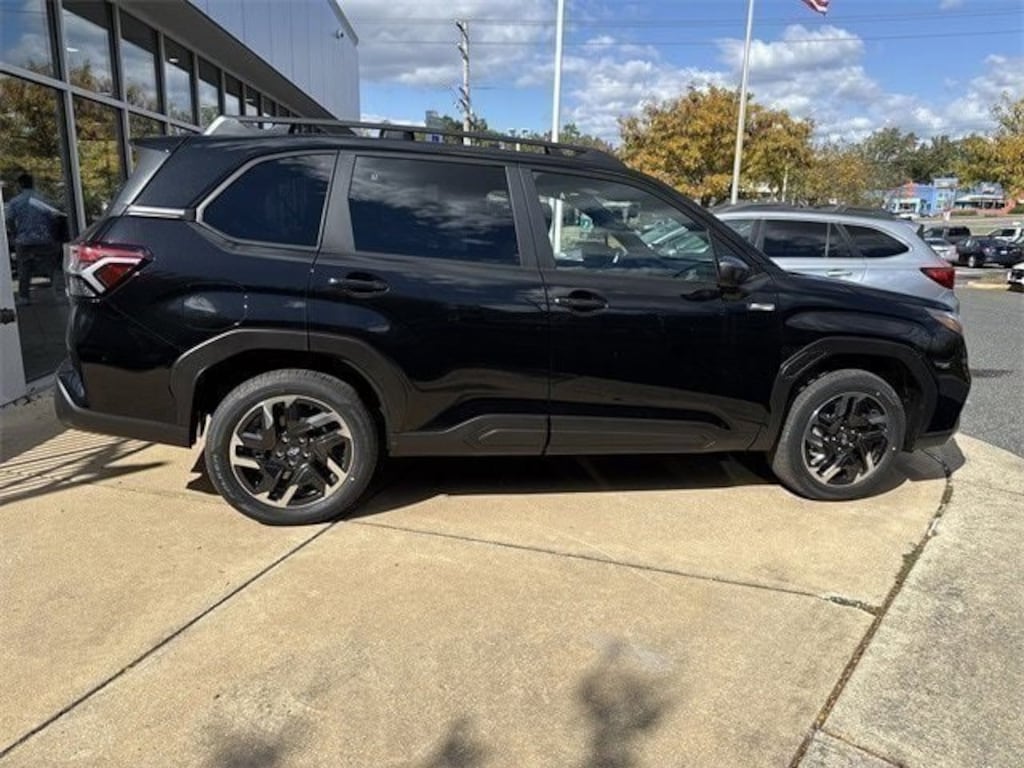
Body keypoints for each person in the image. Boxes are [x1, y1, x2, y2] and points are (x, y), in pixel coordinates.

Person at [6, 172, 62, 304]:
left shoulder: (15, 202)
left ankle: (24, 297)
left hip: (23, 240)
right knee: (51, 267)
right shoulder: (42, 200)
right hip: (44, 238)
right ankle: (59, 295)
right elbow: (54, 218)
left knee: (24, 269)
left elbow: (9, 220)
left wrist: (15, 234)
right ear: (33, 184)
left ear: (20, 185)